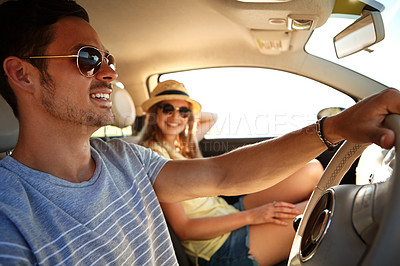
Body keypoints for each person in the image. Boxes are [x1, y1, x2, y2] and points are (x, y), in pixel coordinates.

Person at [0, 0, 399, 265]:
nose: (109, 72)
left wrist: (335, 127)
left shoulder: (125, 157)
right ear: (23, 74)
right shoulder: (10, 214)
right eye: (88, 58)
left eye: (108, 58)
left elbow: (220, 175)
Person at [138, 80, 323, 265]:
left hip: (228, 213)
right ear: (154, 112)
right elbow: (184, 229)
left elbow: (212, 118)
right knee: (322, 209)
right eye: (167, 109)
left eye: (183, 111)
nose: (175, 117)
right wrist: (253, 216)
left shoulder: (181, 145)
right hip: (219, 246)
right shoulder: (153, 155)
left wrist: (186, 114)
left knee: (313, 169)